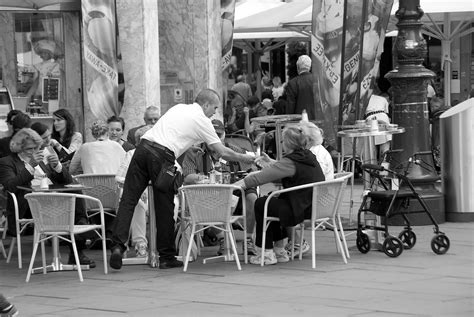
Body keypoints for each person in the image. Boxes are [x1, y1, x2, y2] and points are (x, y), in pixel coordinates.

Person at [109, 88, 256, 270]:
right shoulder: (202, 120)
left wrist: (185, 149)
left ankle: (117, 246)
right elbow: (223, 151)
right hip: (162, 157)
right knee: (164, 205)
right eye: (214, 108)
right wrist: (246, 158)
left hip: (142, 149)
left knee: (129, 199)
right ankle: (166, 256)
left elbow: (171, 134)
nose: (214, 112)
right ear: (206, 104)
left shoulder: (178, 108)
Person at [0, 128, 95, 267]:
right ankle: (81, 238)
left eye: (36, 148)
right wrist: (31, 166)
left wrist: (57, 165)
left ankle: (79, 238)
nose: (33, 152)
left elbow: (67, 181)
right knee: (68, 202)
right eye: (29, 149)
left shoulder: (43, 159)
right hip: (29, 204)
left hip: (54, 199)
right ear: (19, 148)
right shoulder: (7, 162)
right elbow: (10, 186)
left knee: (75, 190)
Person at [234, 125, 325, 265]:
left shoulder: (291, 161)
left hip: (301, 209)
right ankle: (278, 251)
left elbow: (258, 178)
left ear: (288, 143)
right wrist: (271, 163)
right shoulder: (307, 156)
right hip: (313, 204)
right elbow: (286, 169)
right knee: (272, 201)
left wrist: (233, 187)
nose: (281, 144)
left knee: (261, 203)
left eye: (282, 141)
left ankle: (266, 253)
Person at [181, 119, 258, 256]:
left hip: (236, 191)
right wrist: (202, 178)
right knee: (204, 198)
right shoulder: (195, 152)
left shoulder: (234, 150)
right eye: (212, 134)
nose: (215, 138)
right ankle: (223, 238)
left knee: (252, 197)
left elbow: (252, 167)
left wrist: (246, 175)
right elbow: (187, 177)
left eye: (219, 134)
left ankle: (248, 239)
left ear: (224, 135)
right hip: (208, 193)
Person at [115, 125, 153, 258]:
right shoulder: (131, 154)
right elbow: (118, 177)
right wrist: (136, 186)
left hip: (158, 194)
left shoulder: (161, 154)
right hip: (139, 195)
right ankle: (140, 244)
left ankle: (164, 244)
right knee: (136, 201)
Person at [286, 55, 316, 120]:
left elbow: (290, 107)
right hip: (317, 122)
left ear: (298, 67)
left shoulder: (292, 83)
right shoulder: (318, 82)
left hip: (299, 123)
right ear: (310, 67)